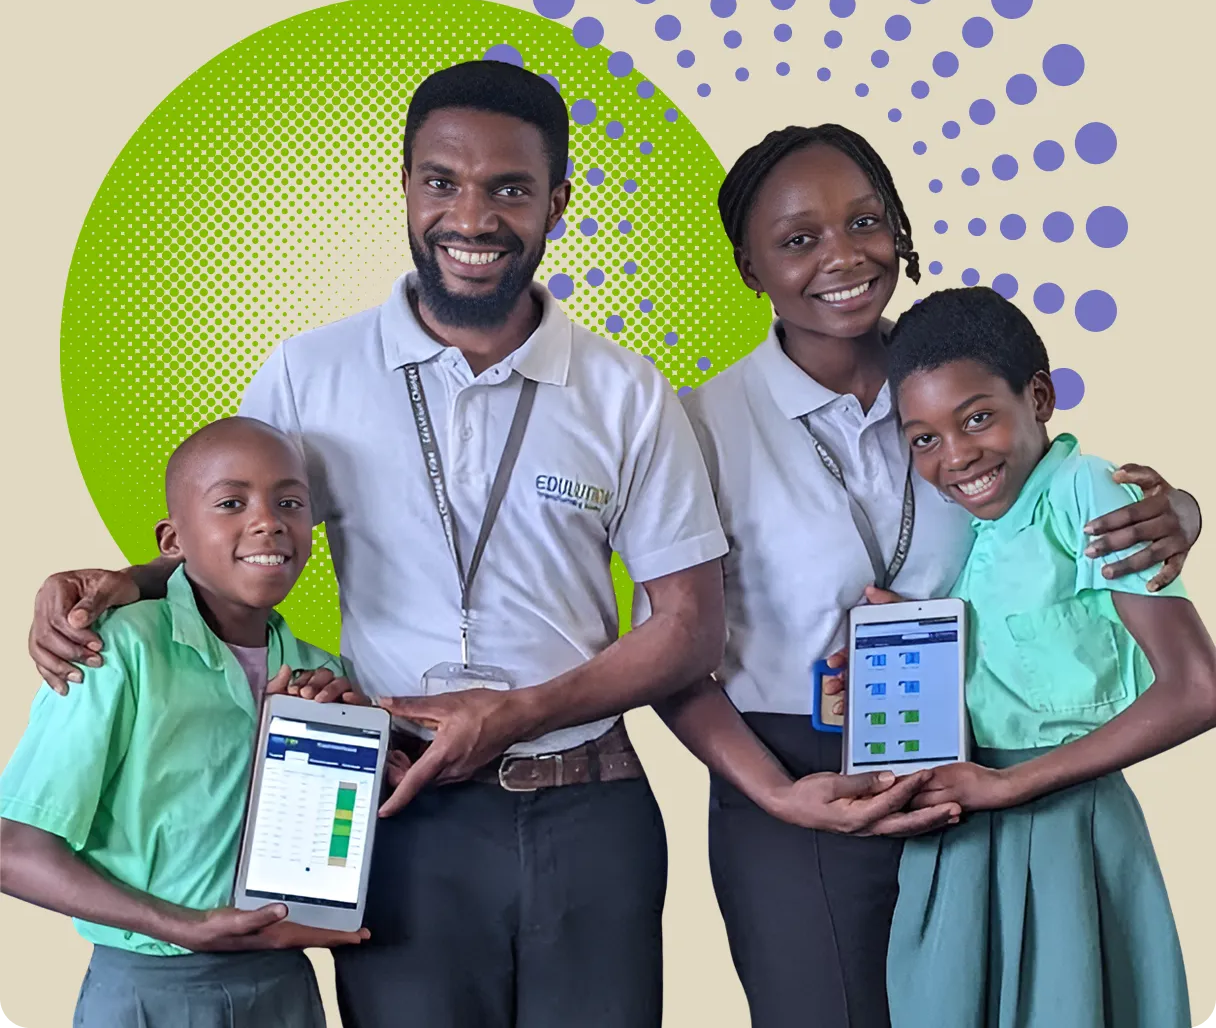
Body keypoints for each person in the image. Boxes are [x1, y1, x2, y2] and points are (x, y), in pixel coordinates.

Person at [23, 63, 930, 1028]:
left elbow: (691, 630)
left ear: (556, 204)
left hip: (592, 812)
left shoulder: (626, 391)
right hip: (393, 811)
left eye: (510, 188)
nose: (473, 216)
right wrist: (124, 580)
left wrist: (513, 713)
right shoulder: (311, 372)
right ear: (407, 188)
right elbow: (233, 536)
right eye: (442, 182)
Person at [656, 124, 1203, 1028]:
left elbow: (1064, 515)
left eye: (865, 220)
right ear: (749, 269)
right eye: (798, 239)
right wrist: (779, 793)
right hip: (796, 784)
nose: (843, 255)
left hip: (976, 776)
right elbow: (669, 650)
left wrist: (1182, 511)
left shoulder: (957, 378)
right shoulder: (697, 425)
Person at [882, 285, 1214, 1027]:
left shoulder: (1085, 489)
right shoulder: (967, 524)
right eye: (924, 438)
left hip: (1066, 816)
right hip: (962, 819)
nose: (956, 455)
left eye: (976, 417)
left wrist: (1012, 786)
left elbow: (1197, 689)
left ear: (1039, 396)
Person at [1, 416, 369, 1028]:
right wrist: (182, 926)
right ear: (172, 541)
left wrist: (359, 761)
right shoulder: (117, 651)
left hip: (282, 986)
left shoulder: (320, 673)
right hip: (149, 989)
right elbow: (15, 851)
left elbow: (325, 851)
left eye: (290, 502)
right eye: (231, 502)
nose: (268, 521)